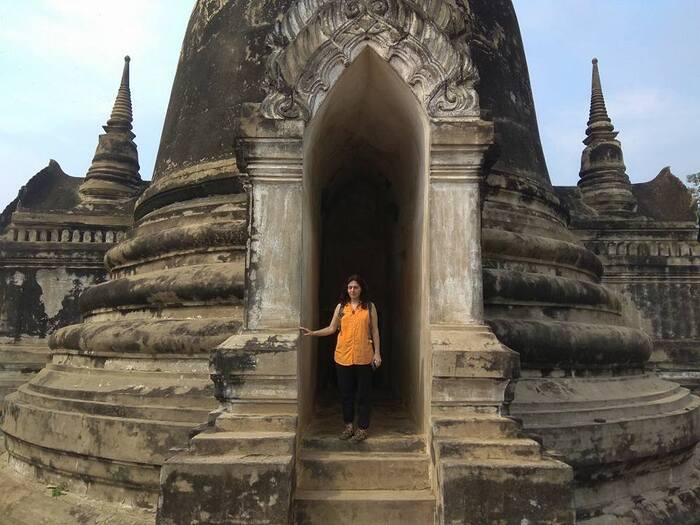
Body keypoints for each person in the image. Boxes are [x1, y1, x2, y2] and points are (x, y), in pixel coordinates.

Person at [300, 275, 381, 442]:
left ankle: (362, 428)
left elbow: (375, 331)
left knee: (363, 395)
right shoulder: (341, 307)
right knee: (346, 394)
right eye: (350, 287)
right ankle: (349, 426)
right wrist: (313, 333)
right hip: (343, 356)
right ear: (347, 289)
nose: (352, 290)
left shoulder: (369, 306)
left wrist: (377, 353)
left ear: (361, 289)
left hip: (364, 355)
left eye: (356, 287)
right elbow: (332, 328)